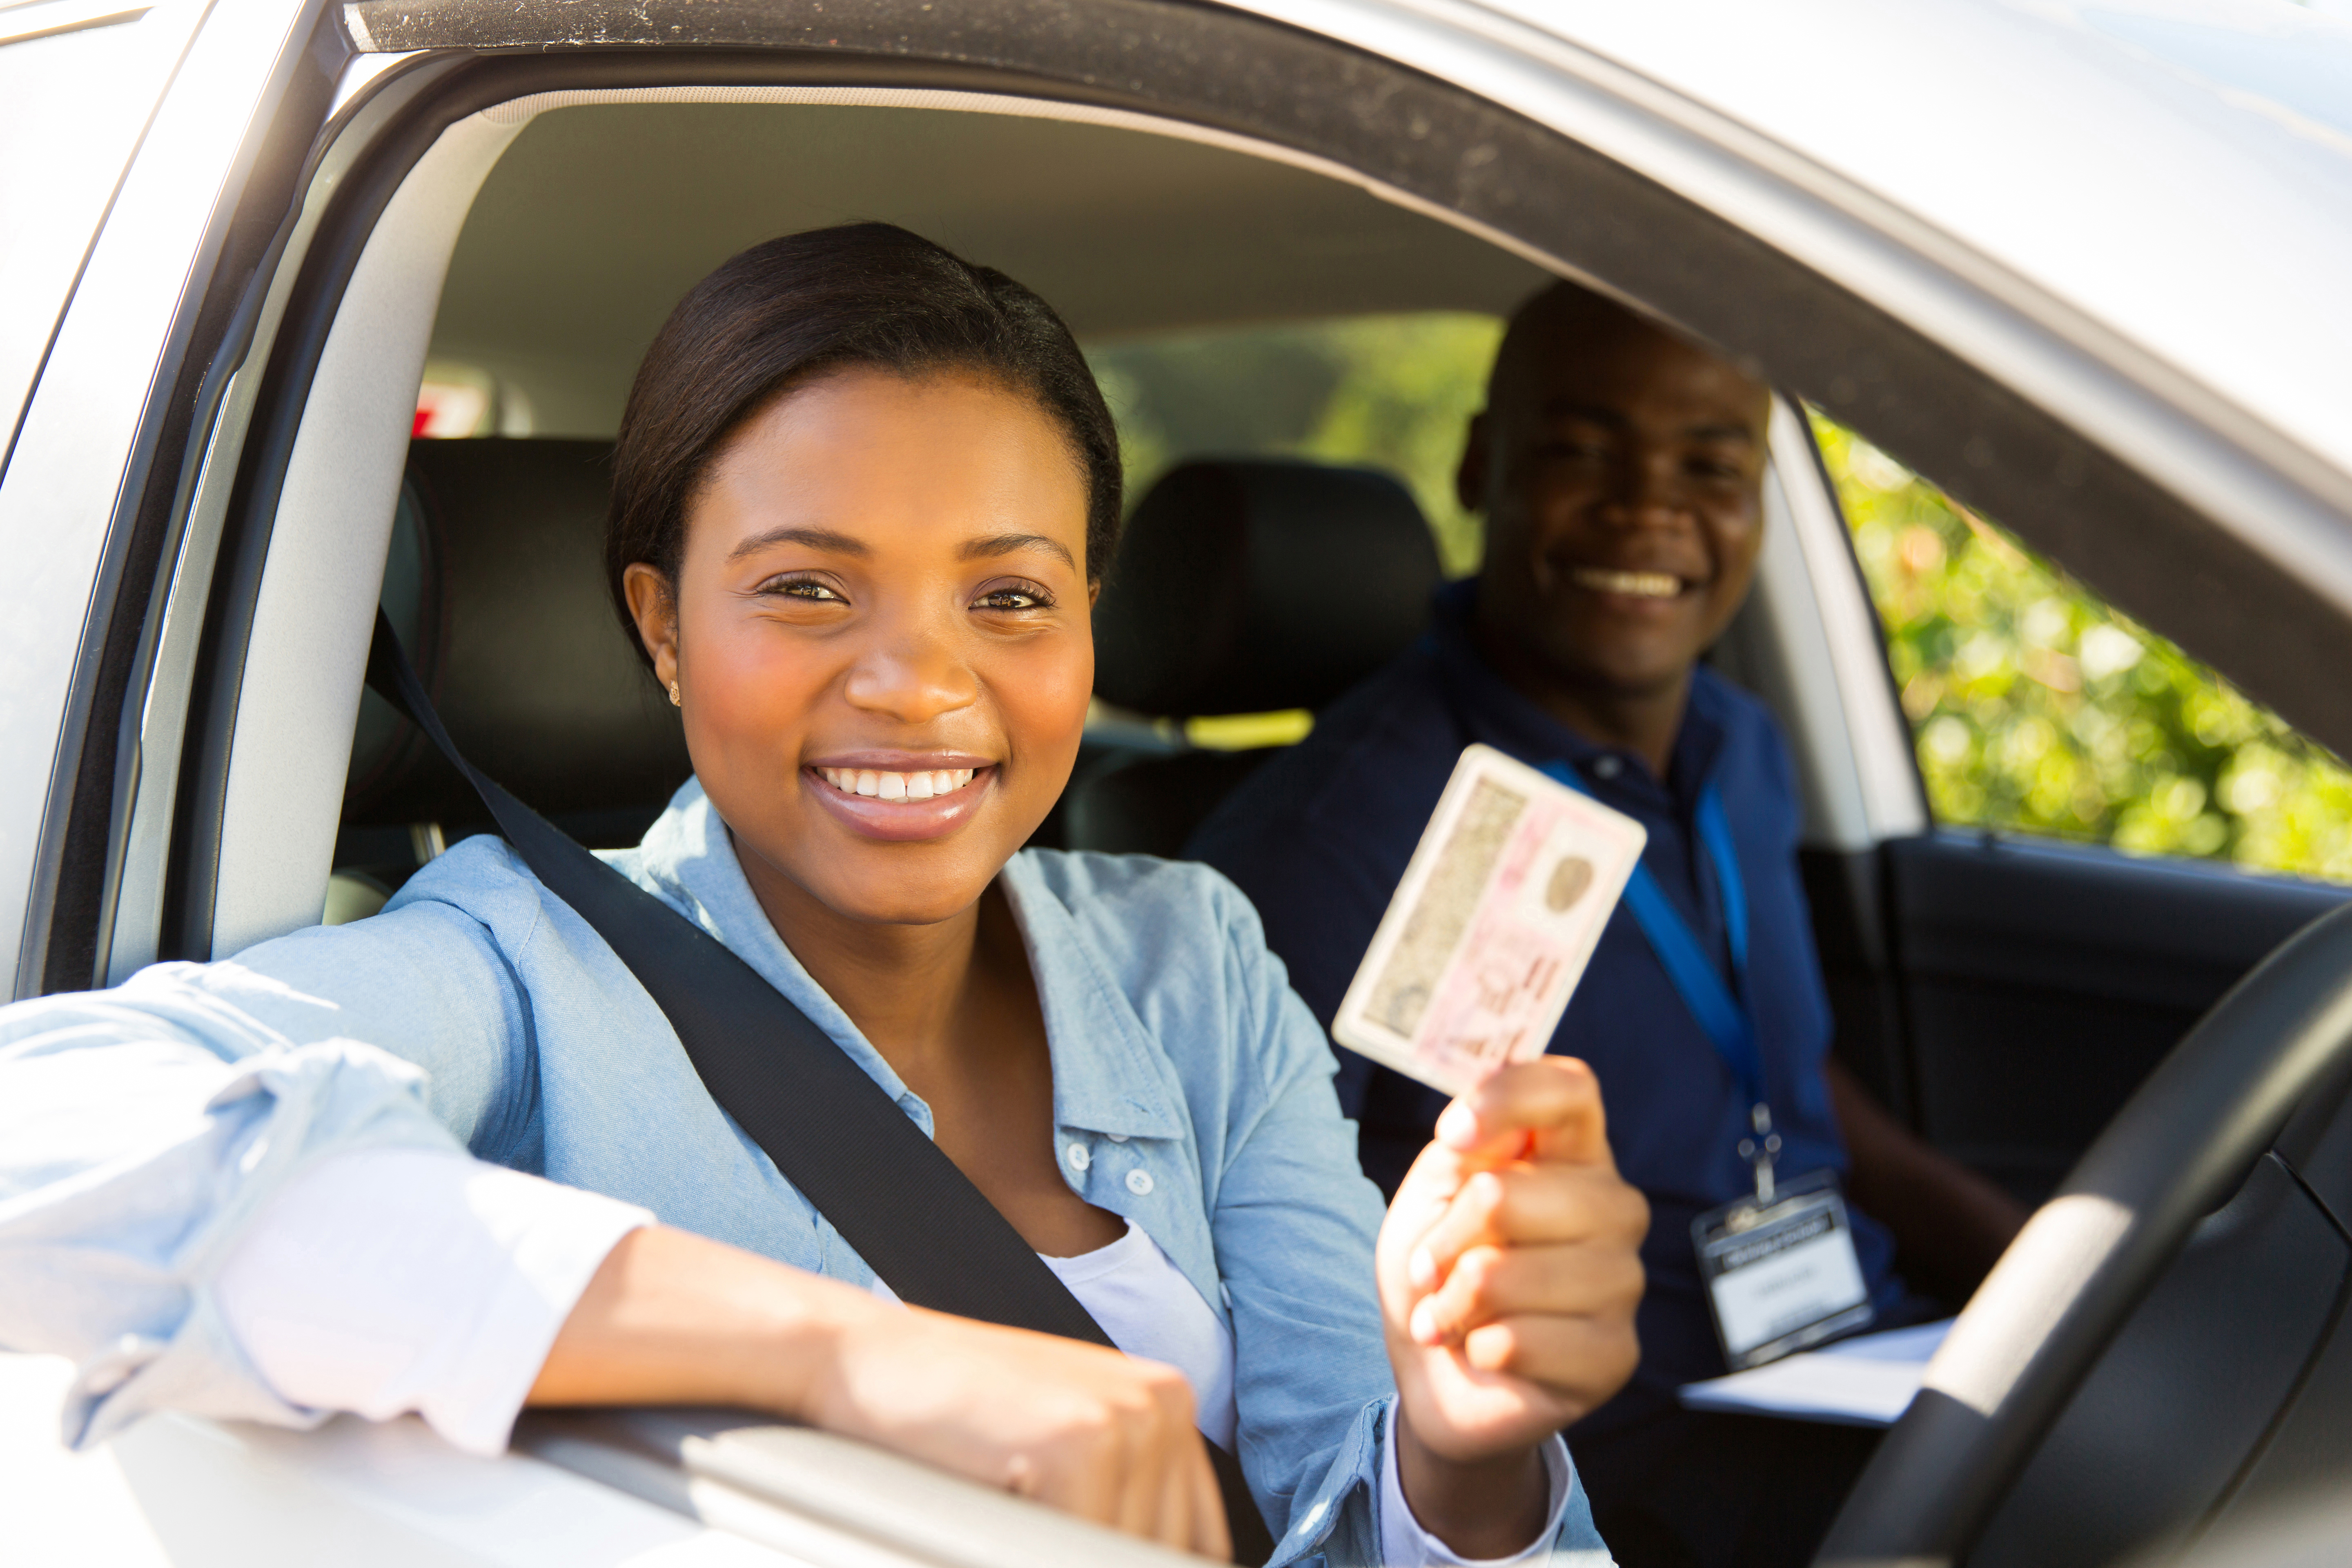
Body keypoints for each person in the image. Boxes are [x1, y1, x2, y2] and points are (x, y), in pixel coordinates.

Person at [0, 228, 1648, 1566]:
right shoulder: (521, 965)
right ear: (659, 628)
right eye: (805, 588)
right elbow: (42, 1140)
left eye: (1009, 594)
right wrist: (846, 1358)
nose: (919, 687)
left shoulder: (1187, 960)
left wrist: (1464, 1451)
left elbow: (1343, 1520)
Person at [1189, 280, 2029, 1568]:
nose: (1649, 506)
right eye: (1584, 453)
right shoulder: (1337, 837)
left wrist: (2029, 1263)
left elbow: (1784, 1073)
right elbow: (1266, 1252)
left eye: (1711, 462)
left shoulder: (1739, 747)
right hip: (1614, 1453)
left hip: (1848, 1356)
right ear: (1485, 467)